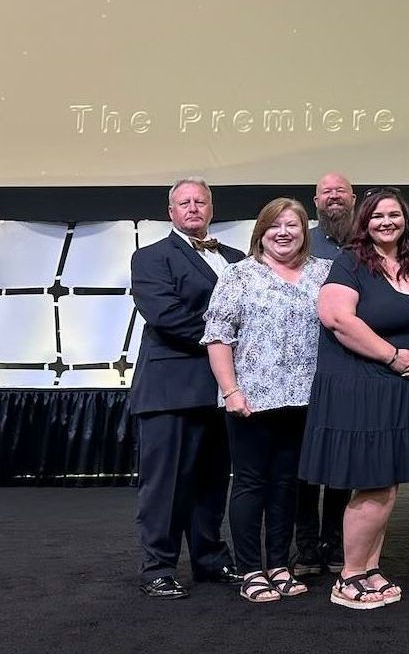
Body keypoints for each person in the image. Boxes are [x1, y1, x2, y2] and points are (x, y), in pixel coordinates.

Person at [301, 188, 409, 610]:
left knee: (387, 484)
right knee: (373, 483)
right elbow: (335, 317)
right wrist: (394, 356)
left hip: (407, 388)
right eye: (377, 215)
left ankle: (369, 567)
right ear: (363, 222)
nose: (386, 222)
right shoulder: (349, 263)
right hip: (362, 385)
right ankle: (349, 576)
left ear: (405, 221)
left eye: (394, 215)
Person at [202, 198, 332, 602]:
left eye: (292, 225)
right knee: (250, 484)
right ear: (261, 231)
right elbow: (218, 337)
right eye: (275, 225)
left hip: (305, 400)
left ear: (304, 232)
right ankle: (249, 571)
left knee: (287, 486)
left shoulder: (323, 273)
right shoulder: (238, 275)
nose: (284, 232)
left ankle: (278, 564)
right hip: (251, 401)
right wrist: (231, 391)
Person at [130, 177, 243, 598]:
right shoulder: (150, 257)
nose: (193, 207)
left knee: (212, 482)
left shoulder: (236, 259)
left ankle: (210, 560)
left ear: (211, 210)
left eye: (201, 201)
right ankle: (157, 568)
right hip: (170, 389)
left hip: (222, 389)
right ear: (171, 212)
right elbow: (166, 315)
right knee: (165, 486)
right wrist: (226, 343)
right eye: (184, 202)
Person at [294, 172, 355, 577]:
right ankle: (304, 547)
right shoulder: (301, 241)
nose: (333, 197)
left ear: (354, 199)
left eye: (340, 192)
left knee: (341, 461)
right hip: (302, 367)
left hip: (351, 365)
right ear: (315, 201)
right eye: (326, 192)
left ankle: (334, 543)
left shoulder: (367, 242)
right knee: (304, 462)